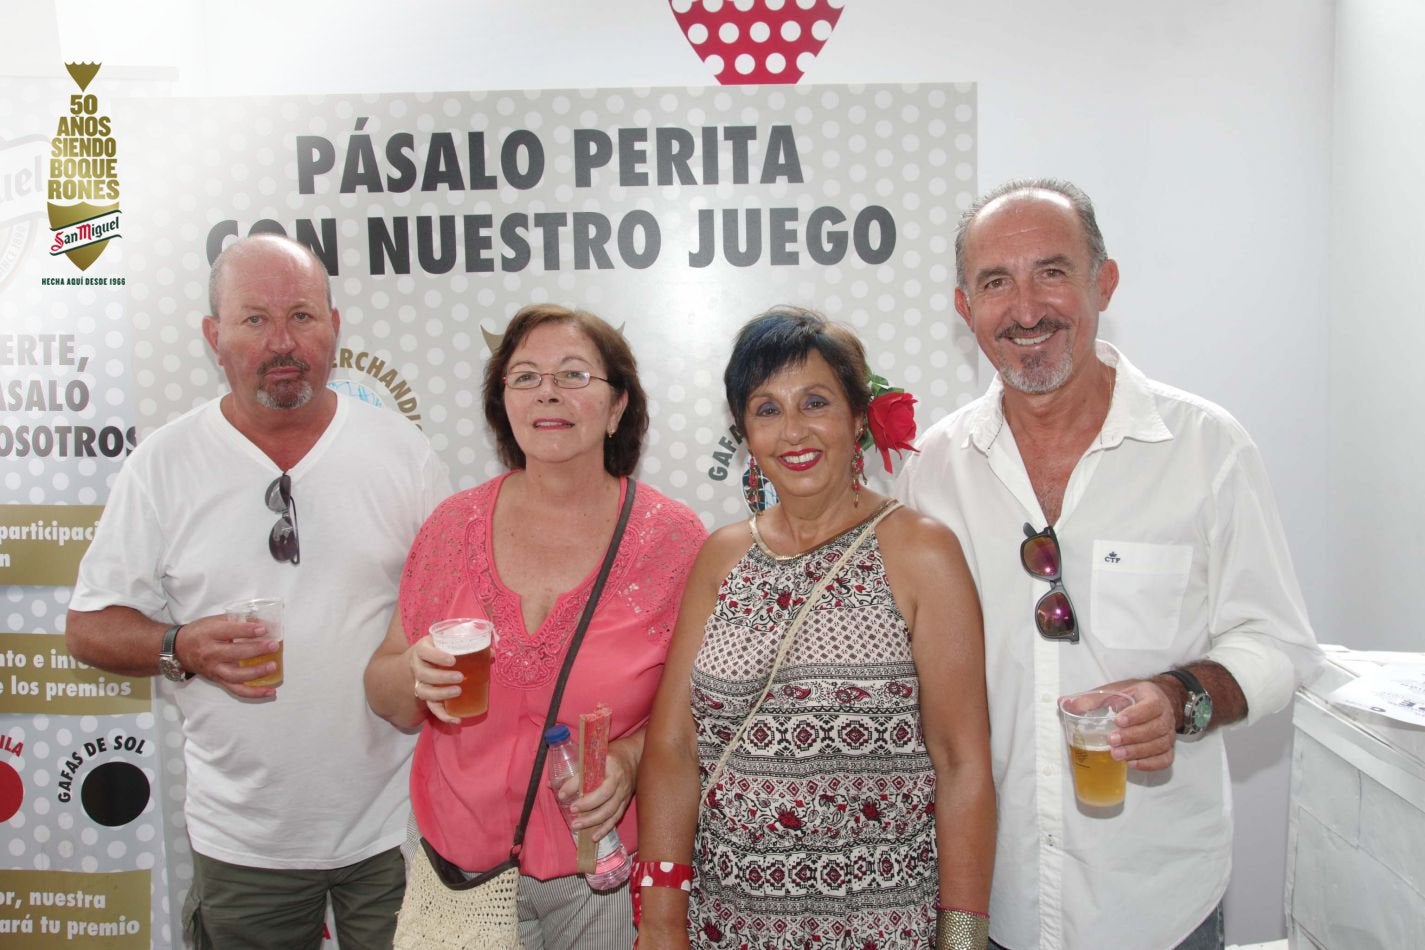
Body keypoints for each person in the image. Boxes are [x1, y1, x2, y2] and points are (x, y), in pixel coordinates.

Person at [895, 179, 1322, 950]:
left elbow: (1279, 646)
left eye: (1050, 272)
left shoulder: (1204, 447)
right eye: (996, 282)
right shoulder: (932, 467)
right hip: (995, 897)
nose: (1026, 309)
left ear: (1104, 282)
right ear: (966, 310)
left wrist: (1179, 695)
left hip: (1158, 899)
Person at [65, 233, 451, 948]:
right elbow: (89, 626)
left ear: (335, 327)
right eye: (254, 320)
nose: (283, 342)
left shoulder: (402, 455)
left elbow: (456, 614)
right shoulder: (163, 465)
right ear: (214, 336)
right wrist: (176, 644)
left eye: (302, 316)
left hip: (396, 826)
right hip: (245, 840)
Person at [637, 307, 995, 950]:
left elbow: (961, 763)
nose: (792, 430)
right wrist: (662, 919)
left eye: (815, 402)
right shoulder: (721, 556)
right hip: (727, 925)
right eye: (766, 409)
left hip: (879, 927)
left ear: (858, 418)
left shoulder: (919, 552)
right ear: (744, 430)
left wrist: (962, 938)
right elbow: (673, 750)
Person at [364, 303, 706, 949]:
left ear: (616, 407)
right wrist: (410, 674)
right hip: (460, 873)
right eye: (524, 377)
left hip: (600, 875)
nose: (547, 391)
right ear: (503, 407)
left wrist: (629, 759)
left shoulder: (674, 540)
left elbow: (691, 718)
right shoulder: (450, 527)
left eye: (574, 374)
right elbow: (386, 696)